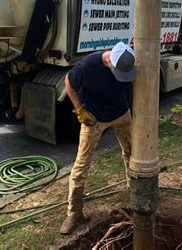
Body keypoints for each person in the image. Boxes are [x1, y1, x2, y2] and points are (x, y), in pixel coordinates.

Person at [60, 42, 135, 234]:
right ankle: (74, 213)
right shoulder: (88, 66)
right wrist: (79, 109)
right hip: (95, 119)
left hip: (121, 114)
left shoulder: (127, 59)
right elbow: (68, 82)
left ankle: (135, 194)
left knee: (133, 153)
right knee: (82, 164)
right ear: (109, 61)